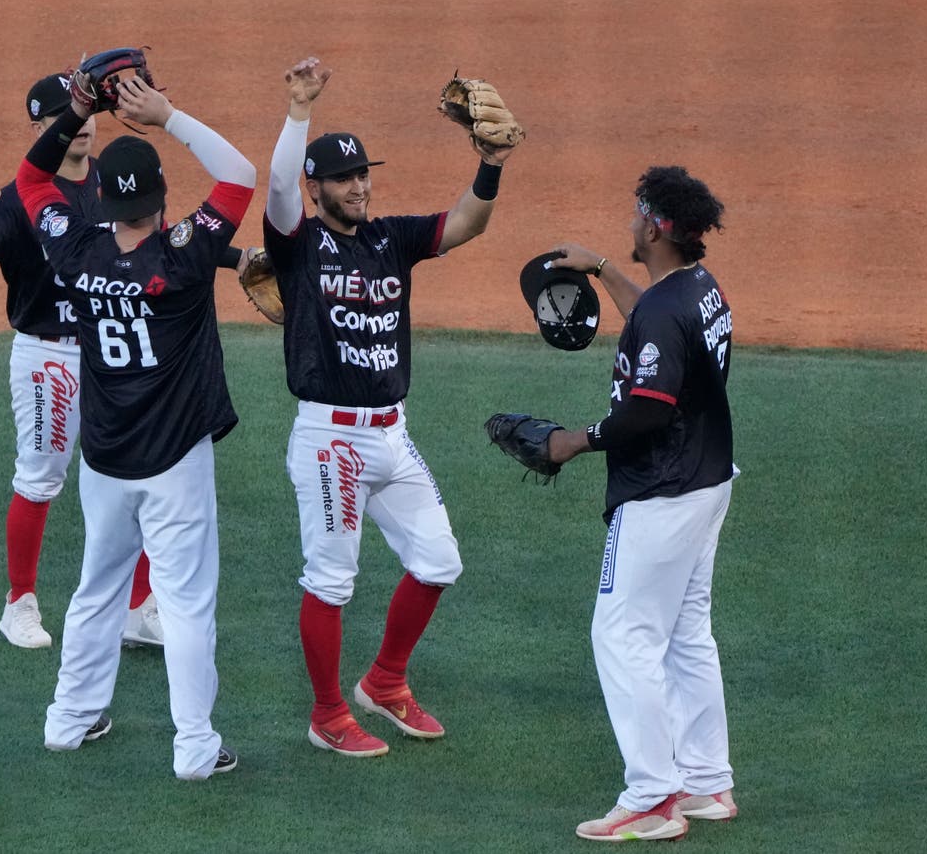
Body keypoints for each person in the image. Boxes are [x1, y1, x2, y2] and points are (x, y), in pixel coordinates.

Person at [0, 73, 253, 651]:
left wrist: (234, 257)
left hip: (107, 356)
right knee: (41, 477)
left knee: (138, 467)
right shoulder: (22, 198)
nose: (84, 122)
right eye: (67, 115)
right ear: (42, 128)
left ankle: (139, 609)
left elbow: (156, 251)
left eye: (86, 111)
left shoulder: (110, 183)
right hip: (48, 354)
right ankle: (19, 603)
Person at [263, 57, 518, 757]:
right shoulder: (299, 244)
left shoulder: (388, 237)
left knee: (439, 561)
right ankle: (326, 714)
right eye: (344, 178)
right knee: (331, 579)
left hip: (391, 436)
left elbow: (467, 223)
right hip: (330, 441)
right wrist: (298, 111)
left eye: (363, 174)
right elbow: (279, 185)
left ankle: (386, 681)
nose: (359, 186)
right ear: (318, 190)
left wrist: (491, 164)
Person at [15, 68, 254, 779]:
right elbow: (239, 174)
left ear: (104, 201)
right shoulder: (184, 256)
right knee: (185, 603)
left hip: (105, 459)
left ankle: (68, 720)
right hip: (176, 461)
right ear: (159, 197)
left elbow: (31, 182)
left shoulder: (77, 251)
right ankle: (194, 747)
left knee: (97, 587)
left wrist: (74, 113)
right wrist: (167, 116)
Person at [542, 166, 736, 842]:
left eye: (635, 215)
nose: (629, 223)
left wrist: (575, 441)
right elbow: (660, 331)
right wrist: (599, 268)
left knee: (622, 636)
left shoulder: (664, 309)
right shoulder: (698, 290)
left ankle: (653, 796)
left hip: (661, 491)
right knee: (685, 635)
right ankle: (709, 783)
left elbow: (647, 410)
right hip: (709, 480)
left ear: (656, 226)